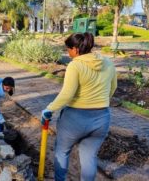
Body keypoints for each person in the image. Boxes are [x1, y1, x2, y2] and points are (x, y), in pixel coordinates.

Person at [41, 33, 117, 181]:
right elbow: (112, 88)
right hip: (102, 119)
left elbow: (67, 94)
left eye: (68, 49)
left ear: (75, 49)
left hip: (75, 120)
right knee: (89, 156)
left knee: (62, 152)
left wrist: (49, 109)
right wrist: (99, 103)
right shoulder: (108, 63)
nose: (67, 53)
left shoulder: (75, 65)